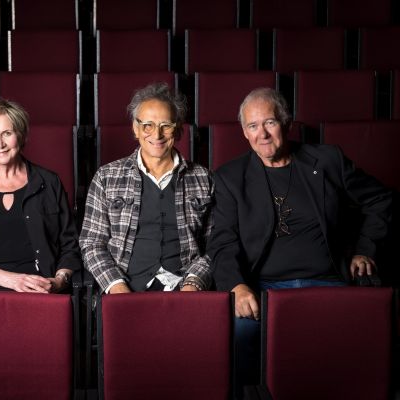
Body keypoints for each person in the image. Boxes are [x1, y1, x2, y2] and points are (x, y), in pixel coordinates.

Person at [208, 87, 392, 388]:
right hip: (263, 290)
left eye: (270, 122)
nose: (263, 134)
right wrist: (237, 286)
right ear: (244, 132)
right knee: (237, 336)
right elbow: (223, 241)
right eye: (253, 126)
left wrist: (365, 249)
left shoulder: (327, 160)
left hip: (328, 282)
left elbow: (381, 199)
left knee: (359, 341)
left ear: (286, 122)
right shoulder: (230, 177)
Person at [80, 82, 214, 294]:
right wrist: (116, 287)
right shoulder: (106, 177)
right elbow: (92, 243)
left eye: (165, 125)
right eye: (148, 125)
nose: (157, 135)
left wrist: (194, 283)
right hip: (125, 286)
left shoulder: (203, 178)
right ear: (136, 128)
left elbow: (216, 245)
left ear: (178, 129)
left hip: (184, 286)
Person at [0, 99, 81, 292]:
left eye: (7, 133)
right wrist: (11, 280)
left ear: (21, 134)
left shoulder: (49, 182)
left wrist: (59, 281)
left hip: (40, 289)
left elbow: (69, 246)